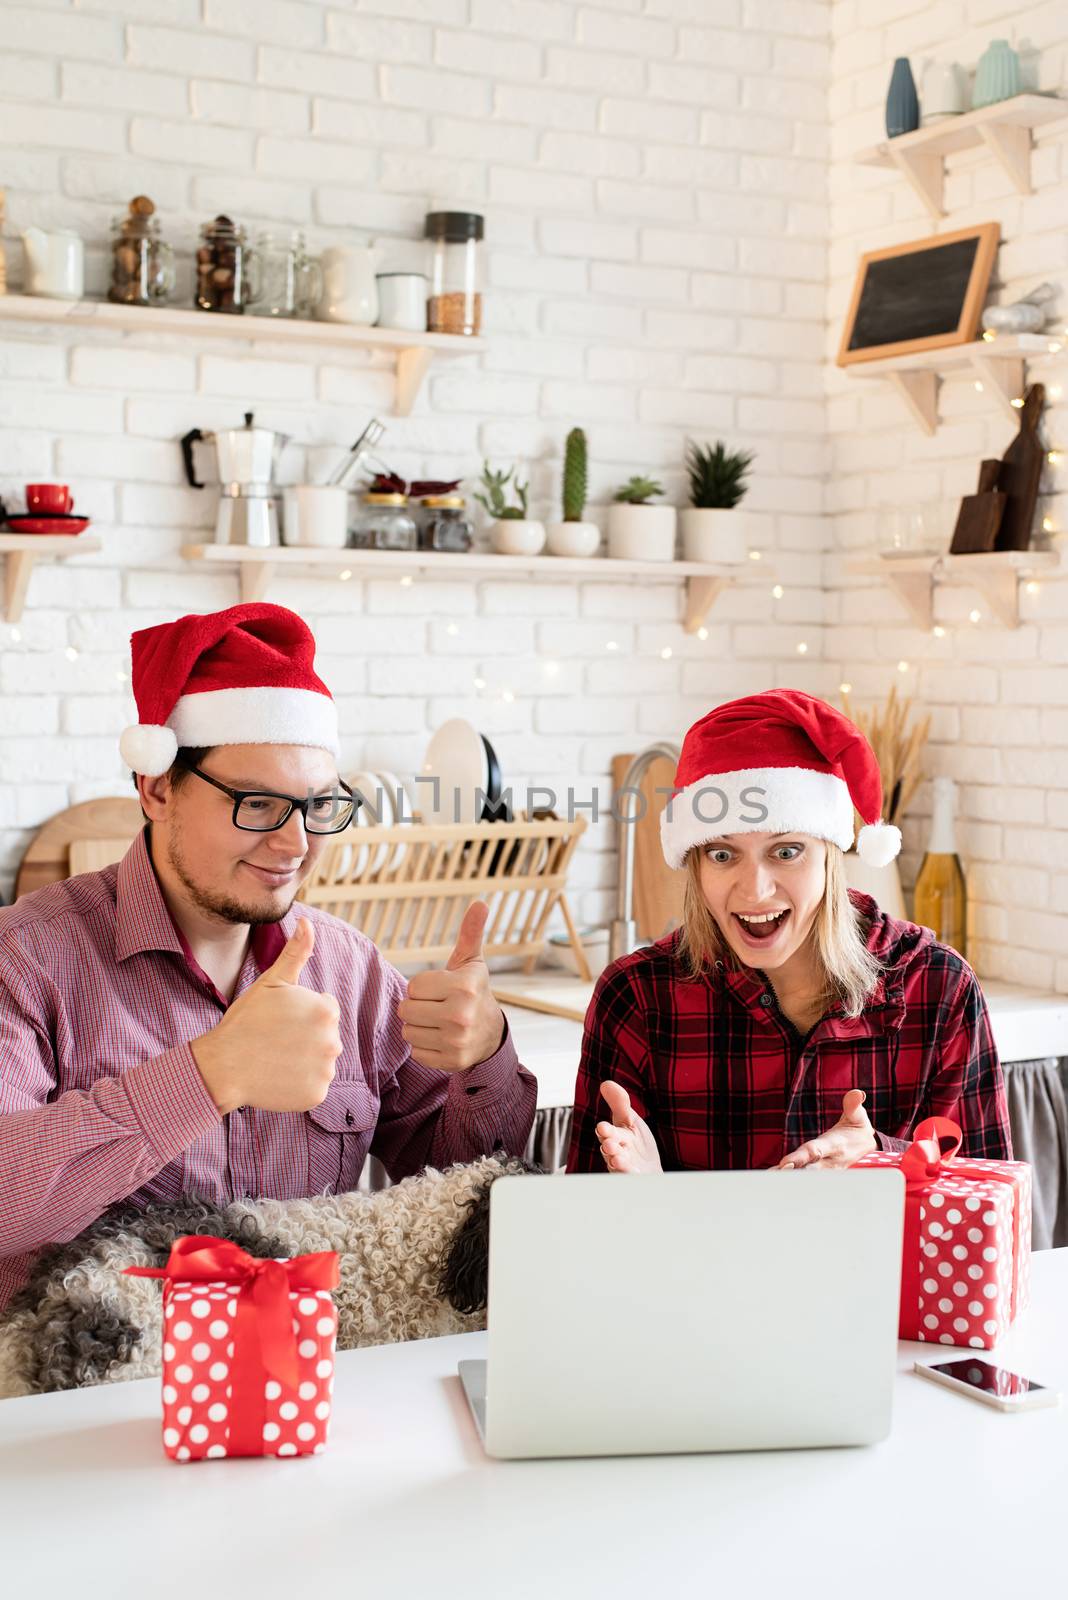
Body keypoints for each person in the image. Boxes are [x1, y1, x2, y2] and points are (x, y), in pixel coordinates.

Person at [0, 603, 536, 1312]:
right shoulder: (27, 960)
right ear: (157, 788)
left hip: (301, 1376)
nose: (294, 845)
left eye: (318, 806)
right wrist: (208, 1076)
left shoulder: (352, 971)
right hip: (85, 1397)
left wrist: (484, 1054)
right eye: (257, 804)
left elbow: (467, 1195)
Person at [567, 688, 1010, 1176]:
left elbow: (987, 1204)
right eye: (722, 854)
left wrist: (883, 1160)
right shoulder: (636, 998)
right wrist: (648, 1193)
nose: (755, 891)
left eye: (786, 851)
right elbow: (587, 1238)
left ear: (830, 855)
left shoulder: (937, 985)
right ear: (694, 865)